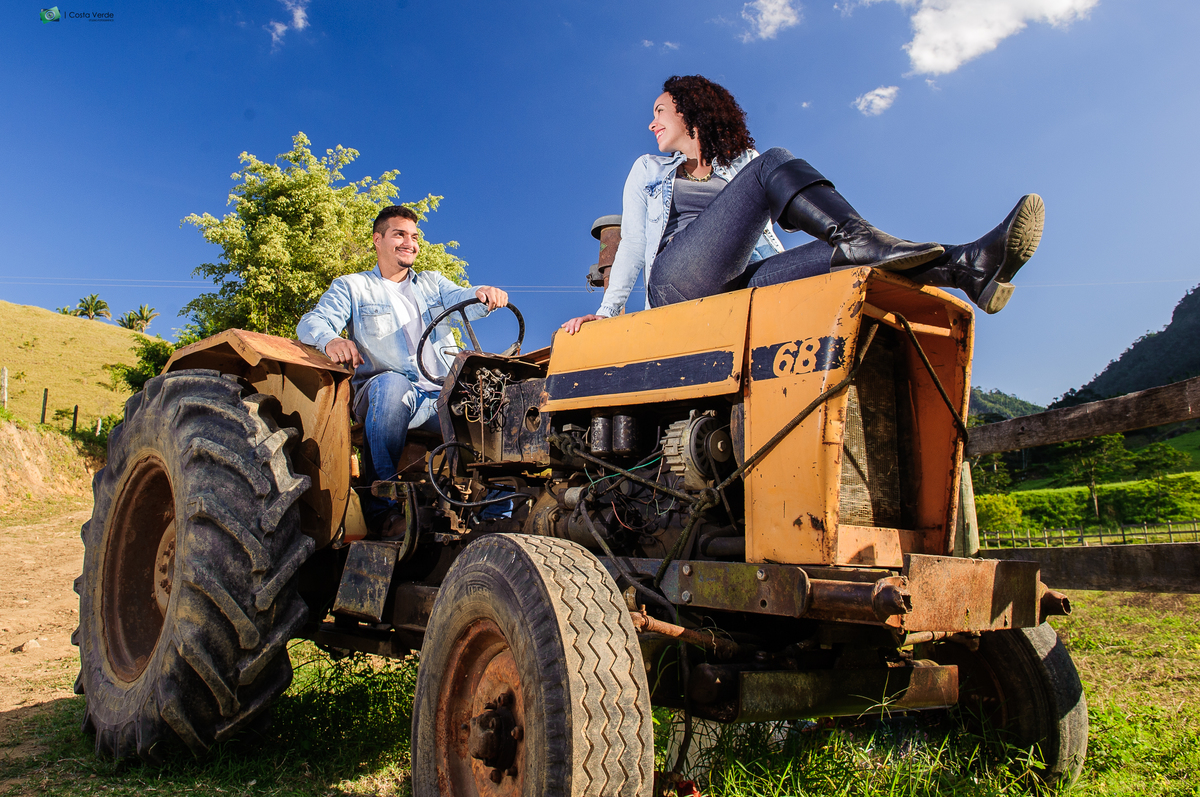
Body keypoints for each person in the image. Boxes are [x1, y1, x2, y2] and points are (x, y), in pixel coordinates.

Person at [562, 75, 1043, 334]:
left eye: (659, 111)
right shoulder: (648, 169)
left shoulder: (742, 164)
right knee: (774, 163)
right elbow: (634, 244)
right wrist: (607, 313)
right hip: (677, 285)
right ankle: (860, 237)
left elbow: (762, 241)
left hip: (738, 285)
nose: (651, 123)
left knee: (844, 256)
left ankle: (968, 268)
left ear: (690, 112)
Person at [297, 205, 508, 533]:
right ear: (378, 240)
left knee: (494, 407)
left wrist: (482, 294)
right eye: (399, 234)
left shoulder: (432, 284)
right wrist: (330, 340)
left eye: (414, 237)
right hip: (382, 394)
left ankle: (497, 516)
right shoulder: (353, 287)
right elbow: (312, 322)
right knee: (393, 385)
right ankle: (382, 512)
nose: (409, 243)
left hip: (439, 398)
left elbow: (463, 299)